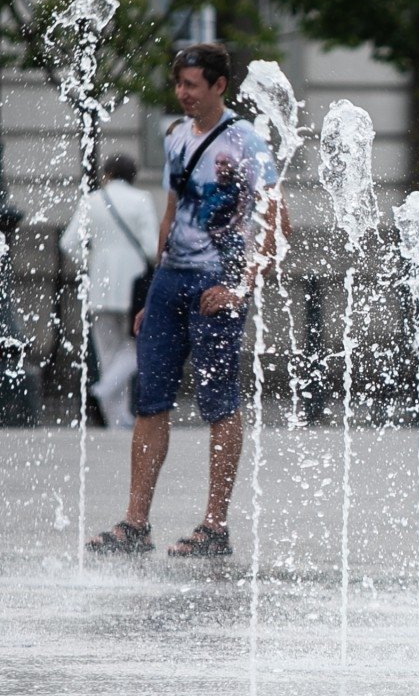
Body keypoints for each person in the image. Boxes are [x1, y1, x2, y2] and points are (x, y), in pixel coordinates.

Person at [85, 43, 283, 558]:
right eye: (179, 84)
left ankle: (214, 527)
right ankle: (135, 524)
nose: (183, 93)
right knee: (151, 401)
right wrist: (153, 287)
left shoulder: (246, 142)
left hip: (217, 284)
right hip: (172, 282)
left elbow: (277, 224)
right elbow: (171, 212)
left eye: (193, 84)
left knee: (220, 404)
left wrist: (242, 287)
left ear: (220, 86)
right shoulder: (175, 137)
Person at [60, 153, 158, 428]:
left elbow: (68, 243)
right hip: (134, 283)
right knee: (138, 347)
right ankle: (107, 399)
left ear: (107, 174)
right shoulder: (141, 200)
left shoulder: (92, 201)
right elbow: (151, 248)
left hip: (101, 285)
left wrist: (93, 262)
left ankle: (116, 418)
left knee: (108, 354)